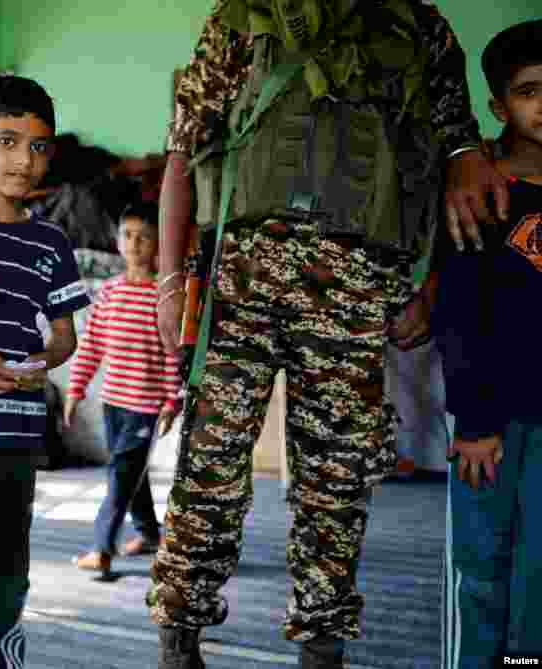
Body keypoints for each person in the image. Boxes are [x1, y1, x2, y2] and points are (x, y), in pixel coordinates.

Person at [149, 1, 489, 667]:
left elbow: (455, 160)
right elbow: (182, 152)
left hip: (358, 281)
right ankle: (178, 637)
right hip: (240, 275)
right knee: (209, 464)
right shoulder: (245, 14)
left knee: (336, 476)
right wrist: (167, 278)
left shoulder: (416, 24)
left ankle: (322, 644)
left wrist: (430, 280)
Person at [0, 75, 90, 669]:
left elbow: (64, 336)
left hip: (13, 437)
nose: (23, 161)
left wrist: (43, 362)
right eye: (8, 142)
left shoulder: (51, 242)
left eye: (38, 147)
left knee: (5, 571)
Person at [435, 19, 542, 668]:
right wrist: (474, 420)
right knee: (480, 568)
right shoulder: (482, 191)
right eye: (532, 91)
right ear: (500, 107)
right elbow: (461, 311)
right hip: (490, 422)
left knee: (539, 571)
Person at [64, 201, 181, 575]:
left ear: (158, 244)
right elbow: (93, 345)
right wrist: (75, 390)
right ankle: (149, 533)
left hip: (146, 406)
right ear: (118, 241)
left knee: (119, 474)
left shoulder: (162, 299)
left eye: (144, 237)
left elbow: (171, 355)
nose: (134, 244)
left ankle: (102, 548)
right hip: (113, 402)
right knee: (131, 472)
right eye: (128, 235)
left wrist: (170, 401)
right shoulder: (111, 293)